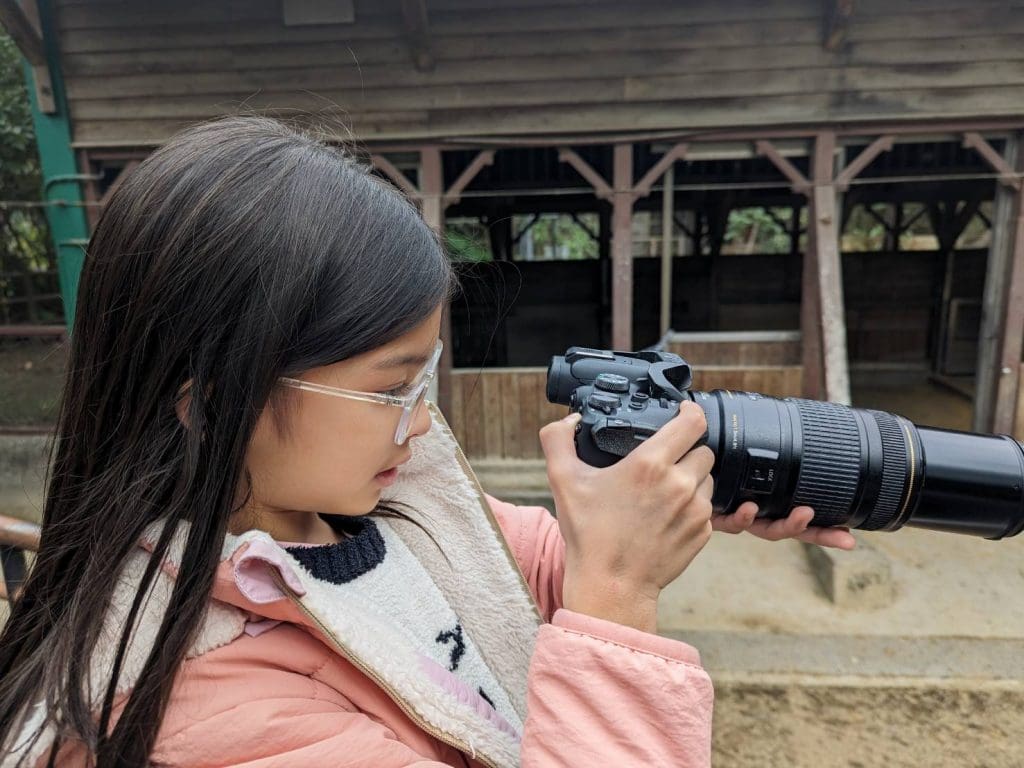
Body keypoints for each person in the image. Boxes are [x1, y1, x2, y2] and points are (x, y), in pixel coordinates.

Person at [0, 117, 853, 768]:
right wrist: (618, 595)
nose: (419, 422)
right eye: (388, 389)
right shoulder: (202, 699)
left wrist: (677, 500)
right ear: (217, 405)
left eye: (425, 378)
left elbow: (513, 562)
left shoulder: (356, 507)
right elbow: (590, 584)